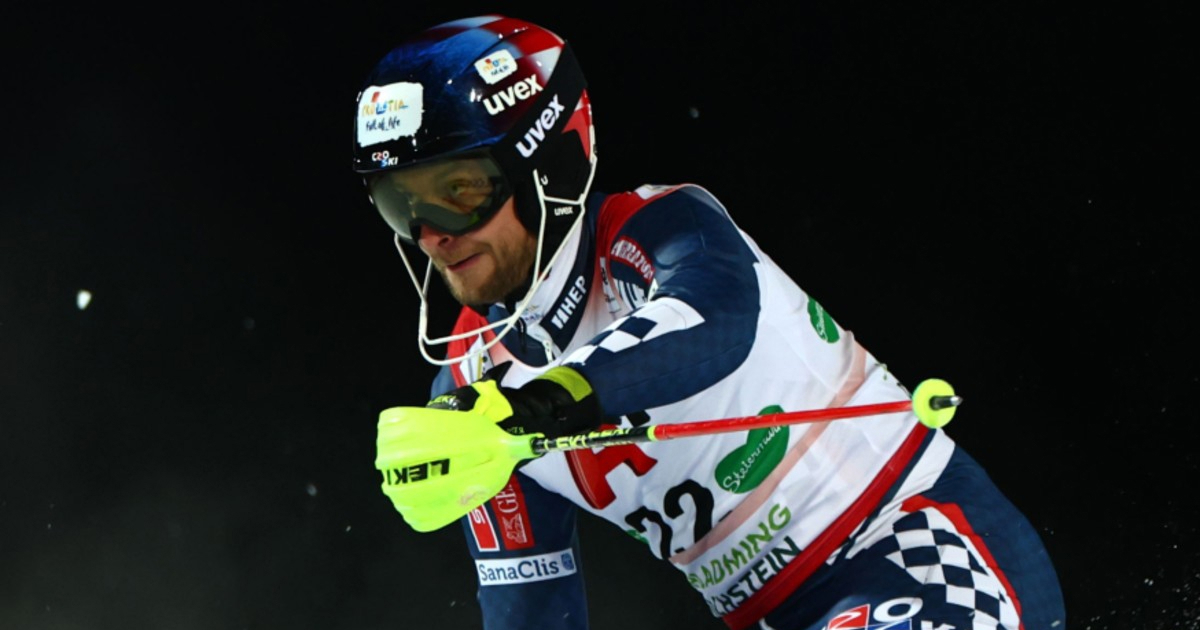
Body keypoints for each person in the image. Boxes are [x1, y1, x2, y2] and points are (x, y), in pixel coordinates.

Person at [353, 14, 1066, 630]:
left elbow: (713, 322)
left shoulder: (657, 228)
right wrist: (500, 421)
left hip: (914, 542)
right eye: (401, 204)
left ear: (549, 167)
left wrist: (532, 406)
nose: (431, 234)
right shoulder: (471, 390)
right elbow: (533, 607)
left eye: (459, 191)